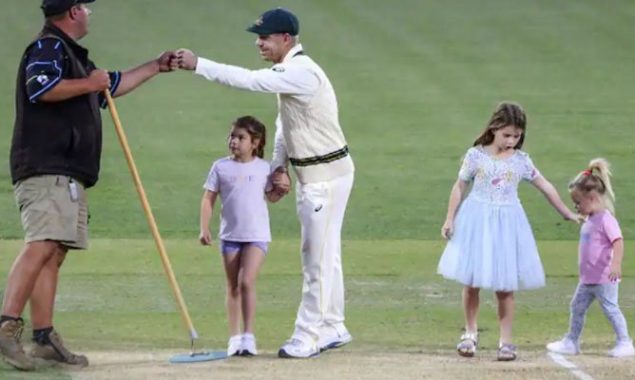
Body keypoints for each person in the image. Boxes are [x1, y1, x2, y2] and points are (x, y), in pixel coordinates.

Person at [0, 0, 175, 371]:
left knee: (55, 250)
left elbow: (111, 85)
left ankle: (44, 338)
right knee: (43, 242)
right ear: (73, 11)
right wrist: (87, 83)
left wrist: (156, 66)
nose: (91, 13)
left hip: (68, 169)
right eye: (86, 7)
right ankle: (6, 326)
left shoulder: (74, 56)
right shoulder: (47, 46)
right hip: (46, 163)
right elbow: (40, 88)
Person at [175, 7, 355, 358]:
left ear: (286, 39)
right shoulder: (292, 73)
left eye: (265, 37)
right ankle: (334, 325)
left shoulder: (300, 72)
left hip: (324, 177)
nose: (259, 43)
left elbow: (249, 80)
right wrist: (278, 167)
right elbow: (285, 122)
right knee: (327, 254)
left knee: (315, 259)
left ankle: (307, 336)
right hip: (326, 172)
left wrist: (199, 64)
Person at [437, 102, 580, 361]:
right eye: (507, 135)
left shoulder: (521, 161)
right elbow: (459, 186)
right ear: (494, 128)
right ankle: (470, 333)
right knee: (472, 282)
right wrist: (450, 219)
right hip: (476, 221)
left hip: (507, 225)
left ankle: (506, 340)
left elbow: (544, 185)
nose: (512, 141)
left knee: (505, 286)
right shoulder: (475, 156)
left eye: (517, 136)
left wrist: (565, 212)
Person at [199, 116, 286, 356]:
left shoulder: (264, 168)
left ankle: (249, 336)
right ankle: (234, 337)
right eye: (232, 136)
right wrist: (204, 228)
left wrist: (282, 190)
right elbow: (208, 198)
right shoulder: (220, 167)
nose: (234, 141)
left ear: (255, 143)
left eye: (241, 137)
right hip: (230, 235)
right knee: (232, 286)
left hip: (257, 234)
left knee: (246, 281)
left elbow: (272, 197)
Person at [546, 159, 635, 358]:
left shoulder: (606, 220)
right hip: (588, 279)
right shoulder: (590, 220)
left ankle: (625, 342)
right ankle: (571, 341)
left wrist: (616, 264)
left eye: (578, 203)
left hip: (604, 277)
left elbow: (618, 241)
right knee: (576, 307)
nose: (576, 207)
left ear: (593, 198)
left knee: (611, 309)